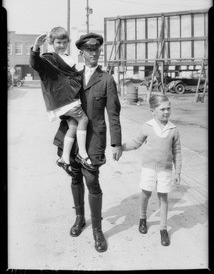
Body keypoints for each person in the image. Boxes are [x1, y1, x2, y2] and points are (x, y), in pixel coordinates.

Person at [53, 32, 122, 253]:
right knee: (75, 178)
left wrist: (117, 143)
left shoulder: (107, 79)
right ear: (82, 53)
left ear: (99, 51)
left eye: (96, 50)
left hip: (94, 140)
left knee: (92, 181)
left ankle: (98, 230)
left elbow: (113, 114)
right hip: (72, 137)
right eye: (89, 50)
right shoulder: (72, 75)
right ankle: (80, 218)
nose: (93, 53)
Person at [29, 27, 95, 174]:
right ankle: (82, 153)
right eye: (58, 42)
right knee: (83, 119)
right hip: (64, 100)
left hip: (70, 99)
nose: (62, 45)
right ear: (52, 42)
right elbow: (35, 64)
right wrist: (36, 46)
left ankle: (64, 158)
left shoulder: (69, 58)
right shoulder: (49, 58)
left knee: (73, 125)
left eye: (65, 42)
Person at [122, 94, 181, 246]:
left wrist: (178, 172)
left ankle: (163, 228)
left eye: (169, 108)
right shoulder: (147, 126)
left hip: (165, 170)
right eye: (162, 109)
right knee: (146, 193)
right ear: (152, 111)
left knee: (163, 197)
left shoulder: (173, 129)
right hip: (149, 168)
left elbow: (177, 152)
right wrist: (120, 148)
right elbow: (136, 143)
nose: (166, 112)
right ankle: (142, 219)